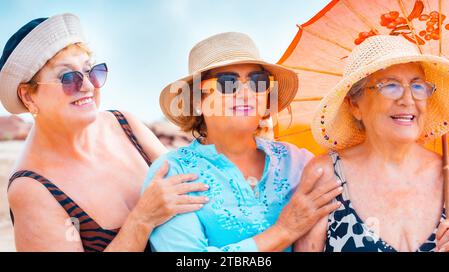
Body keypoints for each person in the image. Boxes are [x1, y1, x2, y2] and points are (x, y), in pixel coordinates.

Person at [3, 13, 209, 251]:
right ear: (28, 96)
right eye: (68, 78)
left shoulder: (124, 124)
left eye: (92, 71)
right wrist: (141, 220)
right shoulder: (31, 188)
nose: (89, 86)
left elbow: (193, 189)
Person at [142, 32, 343, 251]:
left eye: (259, 82)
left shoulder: (300, 162)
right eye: (228, 83)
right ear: (198, 99)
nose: (246, 93)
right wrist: (284, 231)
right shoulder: (173, 172)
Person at [296, 35, 449, 252]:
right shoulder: (327, 175)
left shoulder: (447, 177)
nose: (408, 100)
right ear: (354, 105)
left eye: (417, 86)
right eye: (390, 86)